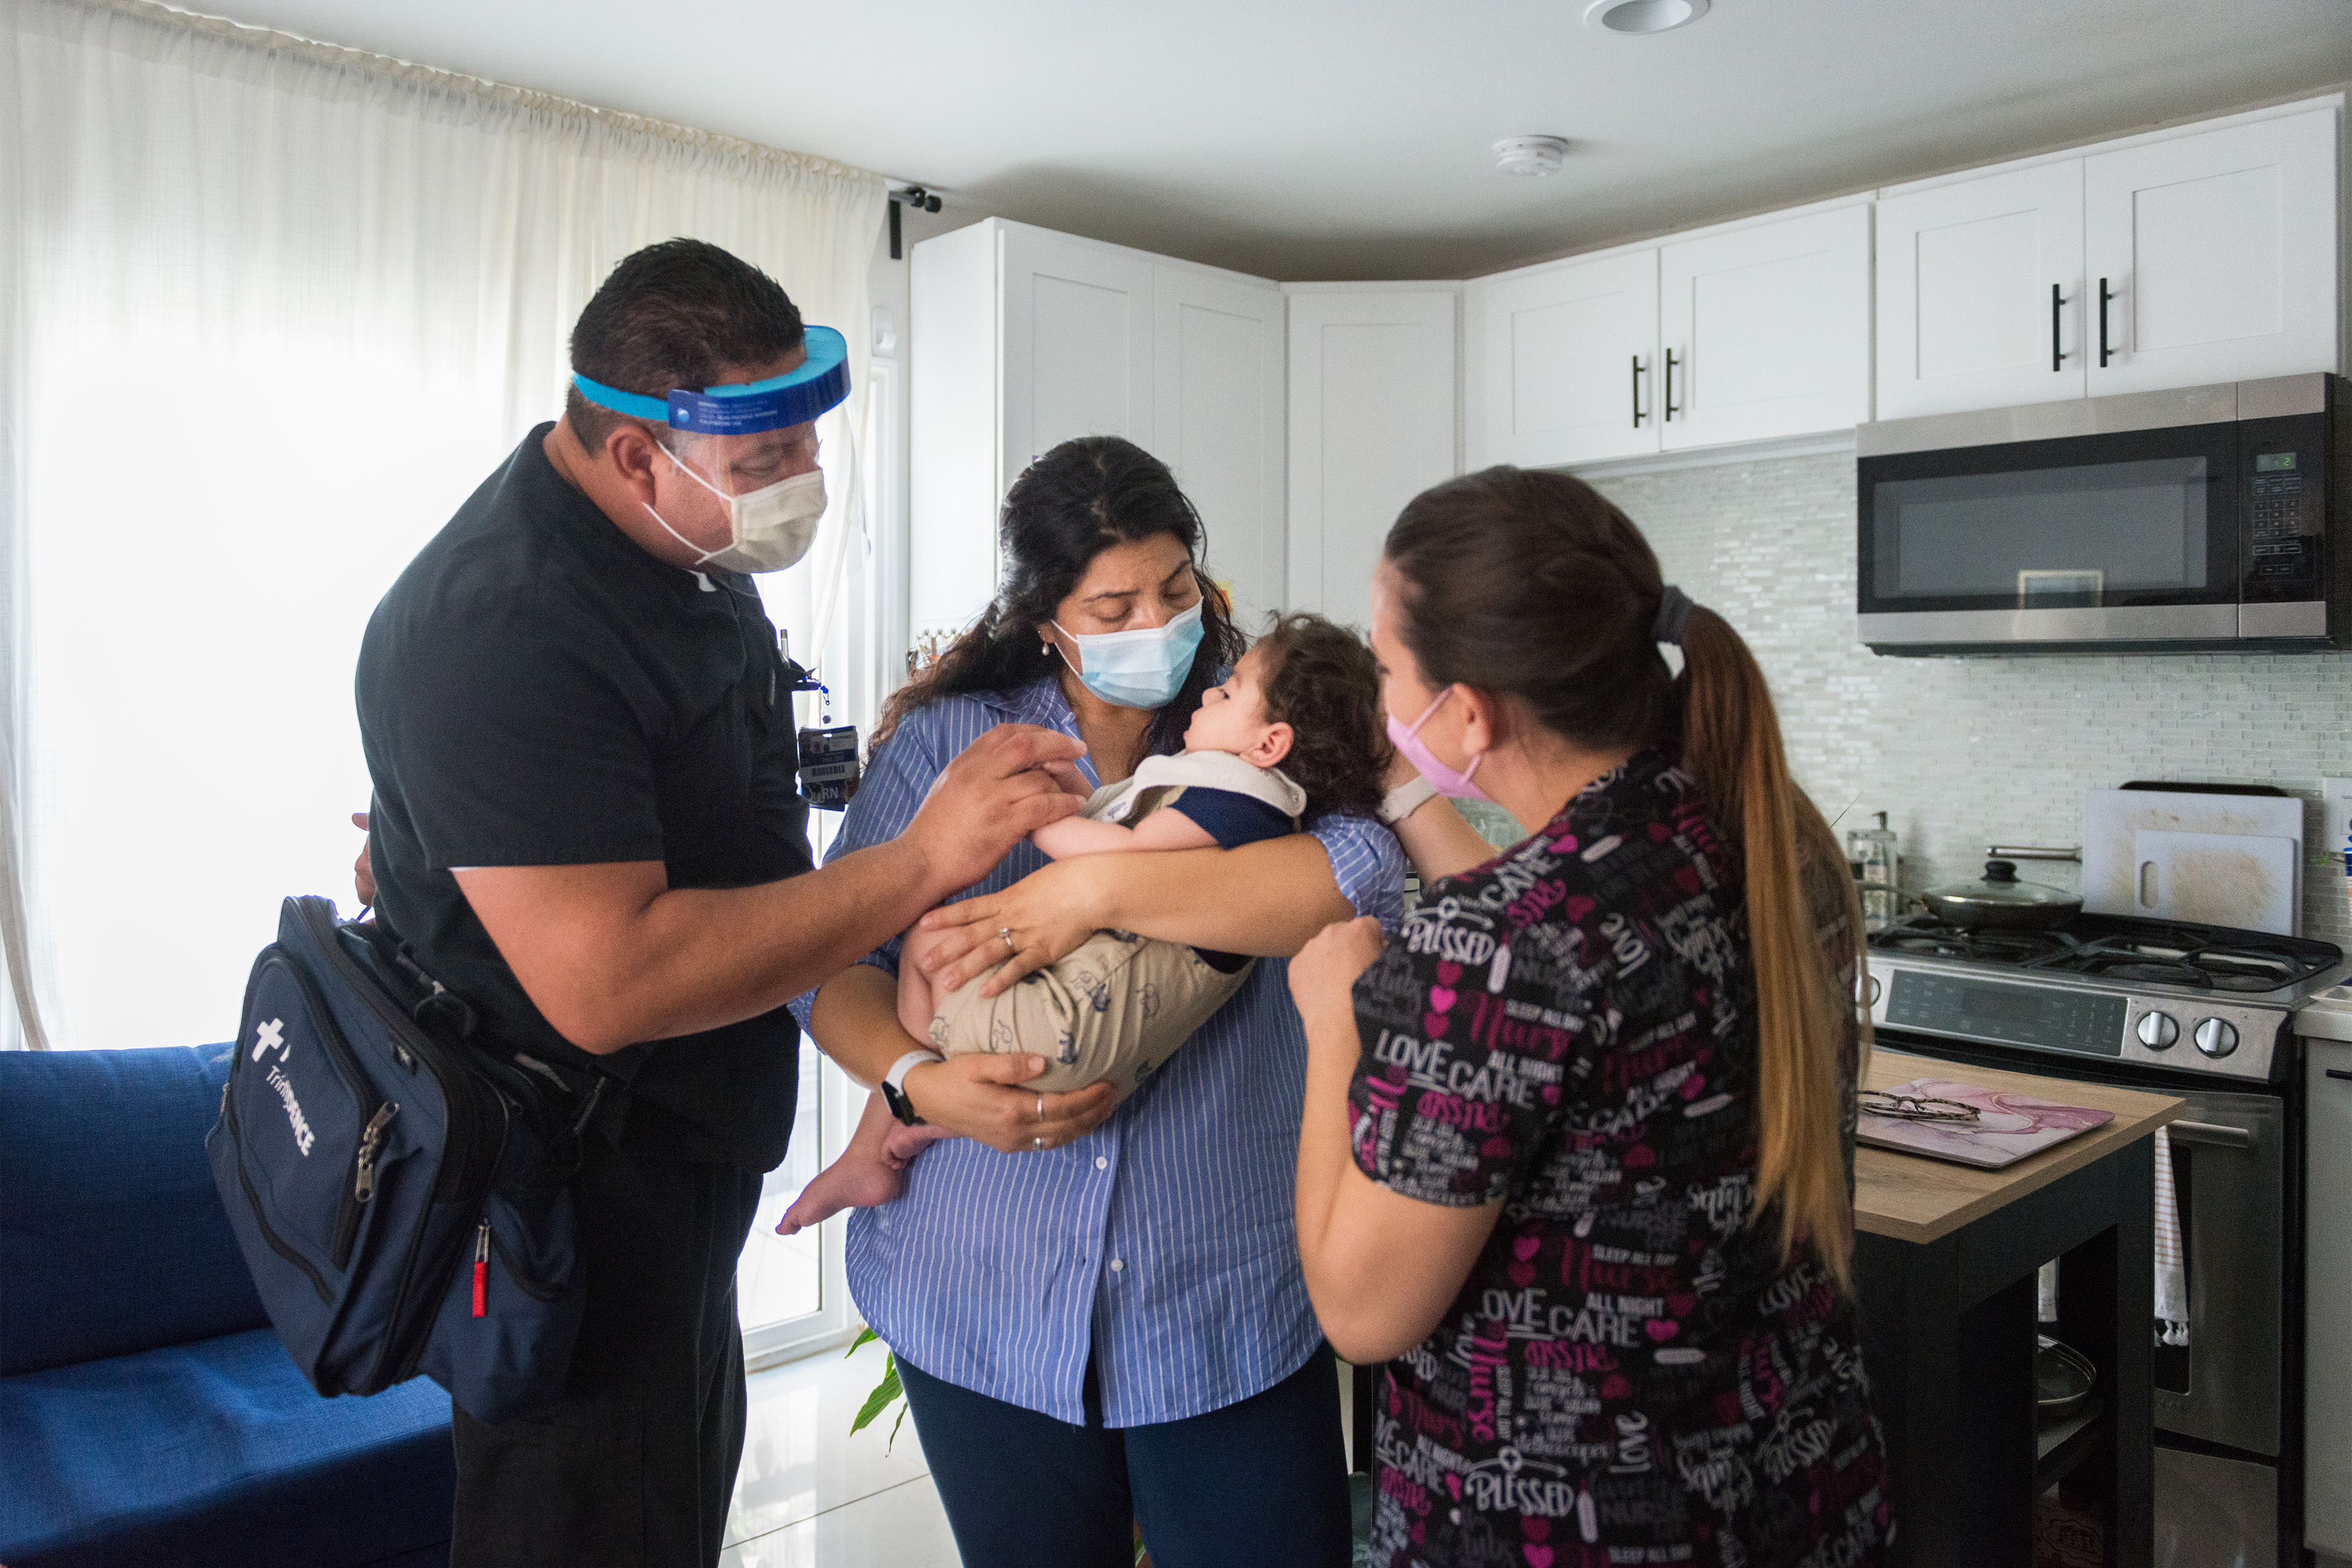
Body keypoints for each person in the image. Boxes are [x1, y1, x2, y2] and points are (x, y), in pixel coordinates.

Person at [354, 238, 1085, 1568]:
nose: (805, 482)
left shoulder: (681, 545)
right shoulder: (501, 625)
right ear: (639, 454)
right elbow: (610, 981)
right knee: (591, 1524)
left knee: (673, 1500)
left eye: (808, 444)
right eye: (766, 461)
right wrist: (922, 859)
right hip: (571, 1195)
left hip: (679, 1161)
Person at [791, 436, 1409, 1568]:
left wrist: (1088, 891)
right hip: (978, 1291)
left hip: (1219, 1303)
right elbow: (833, 959)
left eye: (1175, 591)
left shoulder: (1271, 728)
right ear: (1045, 617)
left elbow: (1352, 876)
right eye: (1113, 607)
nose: (1156, 626)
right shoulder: (953, 743)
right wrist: (919, 1081)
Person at [1286, 467, 1890, 1568]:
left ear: (1469, 712)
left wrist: (1336, 1023)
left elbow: (1363, 1312)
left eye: (1385, 667)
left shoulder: (1495, 943)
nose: (1379, 696)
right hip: (1797, 1494)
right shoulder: (1771, 842)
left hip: (1568, 1527)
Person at [780, 613, 1387, 1233]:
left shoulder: (1238, 797)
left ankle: (908, 1115)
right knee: (938, 969)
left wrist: (1036, 819)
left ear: (1269, 745)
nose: (1211, 692)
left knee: (931, 947)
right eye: (1115, 607)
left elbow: (1122, 854)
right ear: (1048, 618)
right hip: (1089, 1050)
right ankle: (913, 1115)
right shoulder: (1231, 791)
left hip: (1064, 1033)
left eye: (1228, 695)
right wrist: (1075, 794)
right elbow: (1130, 829)